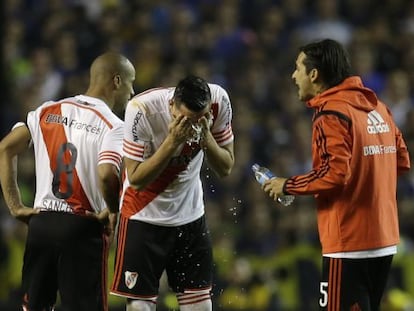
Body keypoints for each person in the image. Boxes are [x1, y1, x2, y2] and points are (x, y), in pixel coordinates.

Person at [262, 39, 410, 310]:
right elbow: (401, 161)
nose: (294, 76)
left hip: (348, 242)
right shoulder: (378, 108)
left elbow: (334, 175)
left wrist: (287, 185)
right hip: (385, 240)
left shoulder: (330, 114)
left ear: (314, 74)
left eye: (298, 69)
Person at [0, 52, 136, 311]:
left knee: (35, 306)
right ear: (117, 81)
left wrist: (15, 206)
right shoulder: (114, 126)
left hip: (42, 224)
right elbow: (107, 174)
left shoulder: (46, 111)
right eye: (131, 83)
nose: (132, 92)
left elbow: (5, 148)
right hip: (83, 228)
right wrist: (113, 211)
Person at [110, 75, 234, 311]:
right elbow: (135, 179)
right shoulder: (142, 109)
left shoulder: (219, 100)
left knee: (200, 306)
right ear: (171, 106)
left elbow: (226, 167)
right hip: (143, 215)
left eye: (201, 118)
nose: (193, 125)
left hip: (190, 216)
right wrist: (172, 142)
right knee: (140, 307)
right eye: (186, 119)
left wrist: (206, 136)